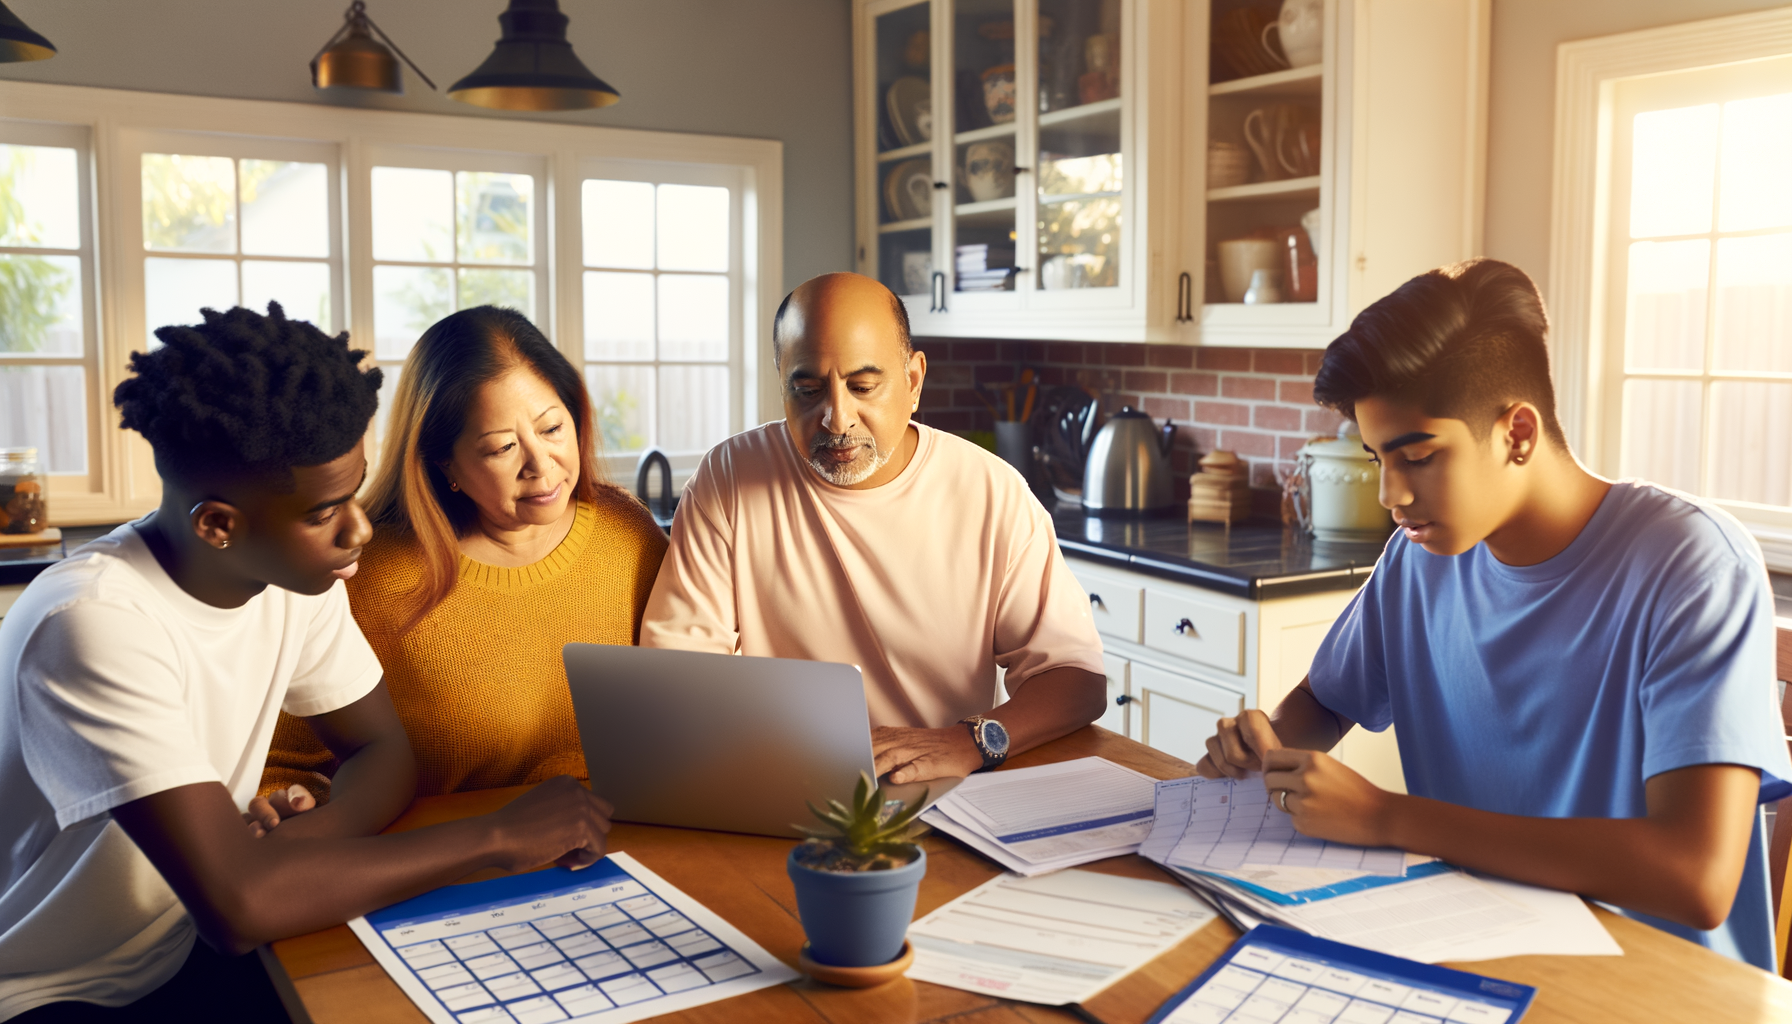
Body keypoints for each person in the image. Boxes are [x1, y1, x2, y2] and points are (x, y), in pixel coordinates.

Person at [0, 304, 613, 1021]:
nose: (358, 527)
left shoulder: (294, 576)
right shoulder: (93, 621)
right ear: (218, 524)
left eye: (352, 491)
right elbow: (239, 906)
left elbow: (384, 755)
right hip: (51, 990)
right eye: (325, 512)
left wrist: (289, 850)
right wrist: (498, 836)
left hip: (185, 947)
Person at [1195, 259, 1792, 970]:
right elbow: (1326, 700)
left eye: (1417, 456)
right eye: (1375, 457)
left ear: (1517, 433)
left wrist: (1388, 817)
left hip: (1657, 985)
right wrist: (1267, 743)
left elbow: (1694, 877)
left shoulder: (1692, 564)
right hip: (1468, 949)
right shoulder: (1417, 562)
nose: (1393, 495)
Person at [641, 272, 1106, 784]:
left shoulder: (992, 491)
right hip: (778, 780)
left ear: (913, 380)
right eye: (807, 390)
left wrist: (967, 740)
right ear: (781, 382)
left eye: (863, 386)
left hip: (939, 787)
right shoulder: (729, 476)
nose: (836, 418)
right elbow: (676, 679)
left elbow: (1075, 678)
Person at [260, 306, 666, 800]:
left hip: (620, 834)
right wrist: (297, 798)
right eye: (501, 448)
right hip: (455, 850)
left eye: (552, 429)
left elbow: (685, 705)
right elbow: (279, 767)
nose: (541, 465)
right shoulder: (368, 576)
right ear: (443, 461)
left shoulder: (629, 532)